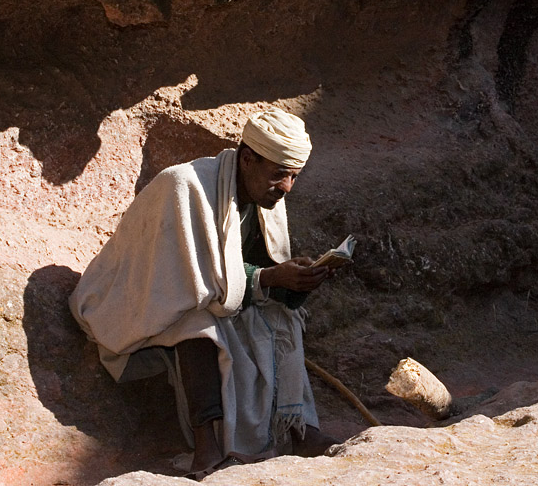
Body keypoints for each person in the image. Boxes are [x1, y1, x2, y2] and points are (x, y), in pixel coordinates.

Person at [69, 109, 338, 478]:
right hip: (131, 305)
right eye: (279, 174)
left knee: (284, 318)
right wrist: (271, 276)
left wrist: (300, 280)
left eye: (294, 176)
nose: (287, 186)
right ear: (248, 159)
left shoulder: (265, 199)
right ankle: (206, 448)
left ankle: (299, 430)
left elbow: (249, 274)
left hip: (210, 294)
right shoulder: (184, 186)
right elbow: (183, 281)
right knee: (196, 321)